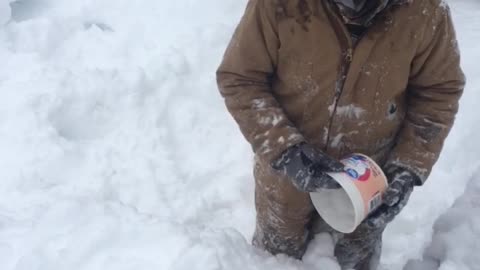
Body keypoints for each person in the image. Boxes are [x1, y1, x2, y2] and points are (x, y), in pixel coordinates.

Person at [216, 0, 465, 269]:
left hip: (368, 186)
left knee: (353, 261)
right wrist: (284, 148)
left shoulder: (426, 11)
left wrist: (407, 167)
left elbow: (438, 94)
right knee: (276, 260)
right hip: (285, 180)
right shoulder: (278, 5)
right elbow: (240, 78)